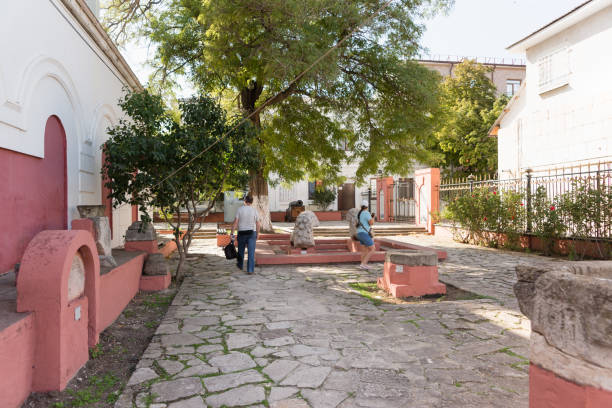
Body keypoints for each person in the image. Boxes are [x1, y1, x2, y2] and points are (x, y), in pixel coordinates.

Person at [230, 195, 261, 274]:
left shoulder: (240, 209)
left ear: (245, 201)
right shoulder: (254, 211)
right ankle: (250, 270)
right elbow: (258, 223)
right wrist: (258, 233)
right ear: (251, 202)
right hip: (251, 233)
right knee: (251, 252)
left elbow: (235, 222)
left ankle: (240, 265)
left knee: (241, 251)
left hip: (241, 233)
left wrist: (232, 233)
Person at [355, 199, 375, 270]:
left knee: (365, 250)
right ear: (367, 206)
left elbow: (355, 224)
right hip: (364, 233)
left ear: (361, 206)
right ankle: (364, 263)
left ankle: (362, 264)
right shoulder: (366, 213)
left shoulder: (358, 213)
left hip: (359, 233)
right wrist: (373, 217)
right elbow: (371, 223)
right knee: (372, 248)